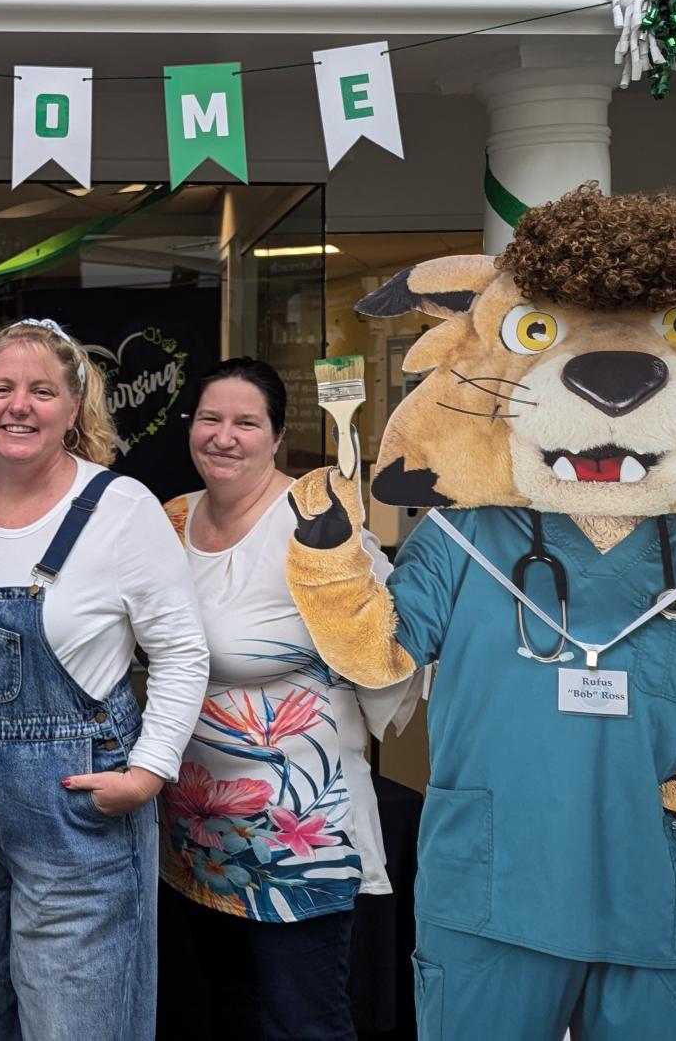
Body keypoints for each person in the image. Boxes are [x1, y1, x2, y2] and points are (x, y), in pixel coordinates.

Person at [284, 188, 676, 1040]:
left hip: (668, 907)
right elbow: (378, 657)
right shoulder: (461, 539)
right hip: (490, 896)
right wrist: (329, 560)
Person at [0, 317, 210, 1041]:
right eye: (1, 388)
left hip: (75, 813)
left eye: (41, 391)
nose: (18, 406)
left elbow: (180, 650)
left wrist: (146, 774)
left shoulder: (121, 507)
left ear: (74, 408)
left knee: (75, 1024)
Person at [155, 358, 415, 1041]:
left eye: (246, 422)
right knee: (225, 1012)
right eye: (210, 419)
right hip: (190, 831)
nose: (224, 436)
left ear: (277, 437)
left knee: (303, 1021)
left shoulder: (316, 524)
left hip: (301, 835)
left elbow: (388, 643)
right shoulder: (169, 518)